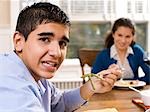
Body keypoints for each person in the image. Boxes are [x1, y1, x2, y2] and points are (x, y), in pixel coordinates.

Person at [0, 2, 121, 112]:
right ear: (18, 41)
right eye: (45, 39)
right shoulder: (11, 85)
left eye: (62, 43)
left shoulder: (35, 76)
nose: (57, 53)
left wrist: (91, 86)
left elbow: (60, 103)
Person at [92, 17, 150, 84]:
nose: (123, 41)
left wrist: (136, 82)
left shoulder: (137, 51)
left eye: (127, 36)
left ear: (132, 37)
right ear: (113, 34)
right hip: (110, 92)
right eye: (120, 35)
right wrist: (108, 73)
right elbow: (93, 80)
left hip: (133, 92)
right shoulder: (103, 55)